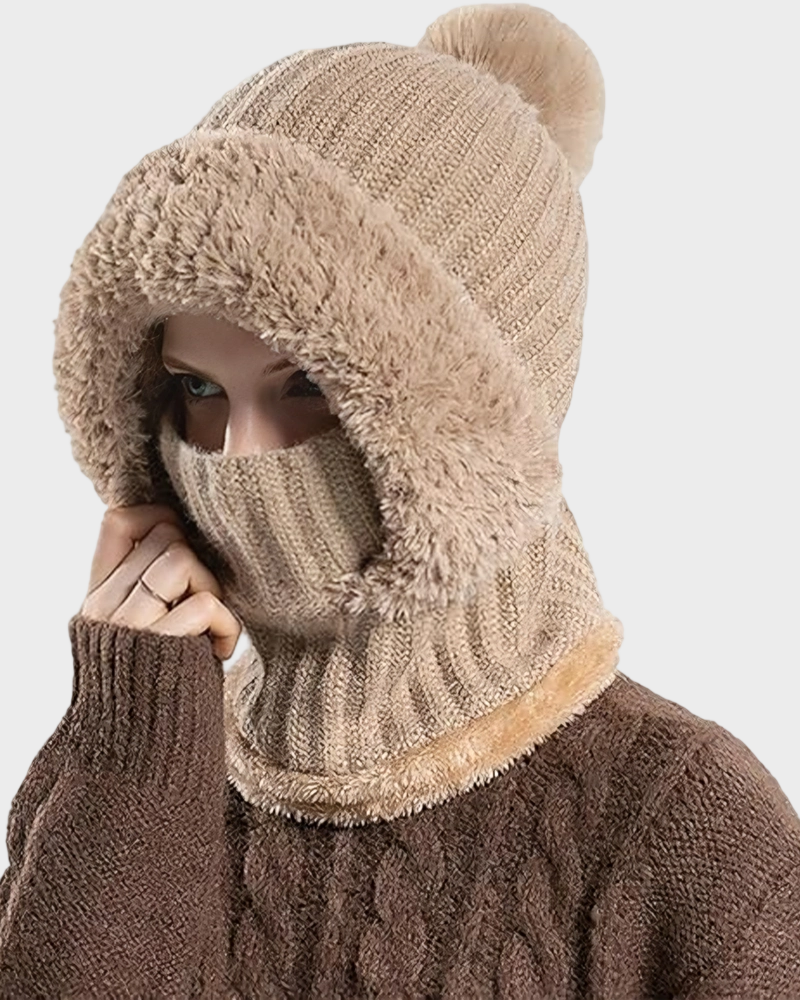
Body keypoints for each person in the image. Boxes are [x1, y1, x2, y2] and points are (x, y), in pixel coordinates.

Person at [1, 4, 798, 997]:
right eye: (197, 390)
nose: (239, 459)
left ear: (472, 418)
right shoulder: (129, 764)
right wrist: (135, 739)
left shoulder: (688, 832)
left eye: (308, 385)